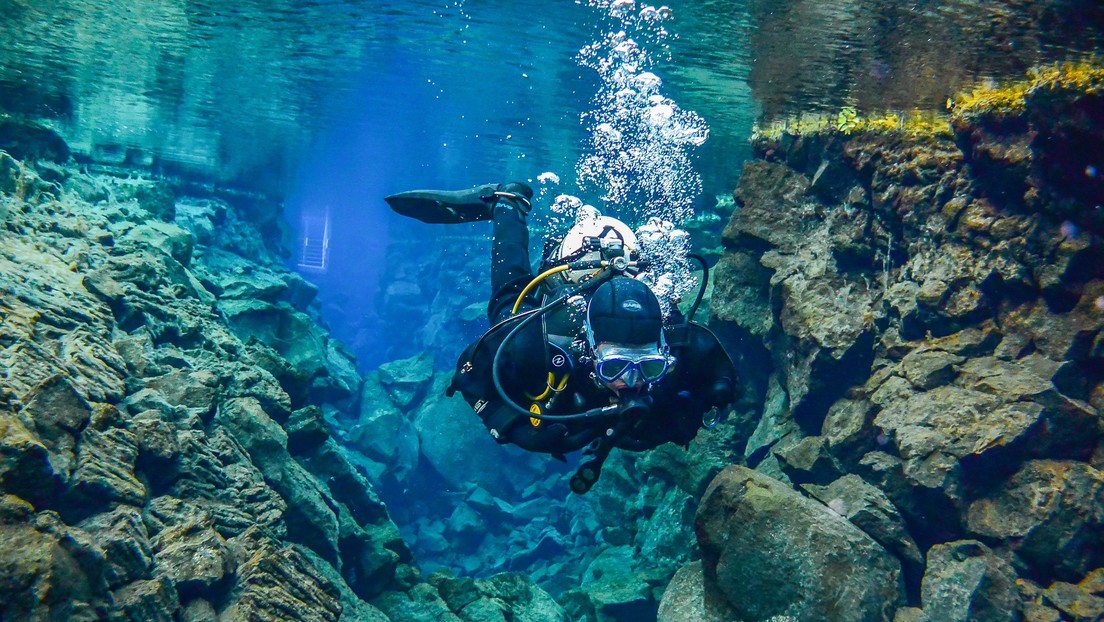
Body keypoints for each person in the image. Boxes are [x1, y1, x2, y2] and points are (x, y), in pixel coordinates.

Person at [385, 181, 737, 493]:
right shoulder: (536, 345)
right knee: (509, 303)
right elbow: (468, 370)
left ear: (663, 352)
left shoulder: (678, 339)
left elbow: (717, 369)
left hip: (625, 265)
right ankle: (507, 204)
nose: (632, 382)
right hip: (572, 270)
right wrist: (508, 425)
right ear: (591, 350)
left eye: (649, 367)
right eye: (614, 367)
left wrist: (711, 400)